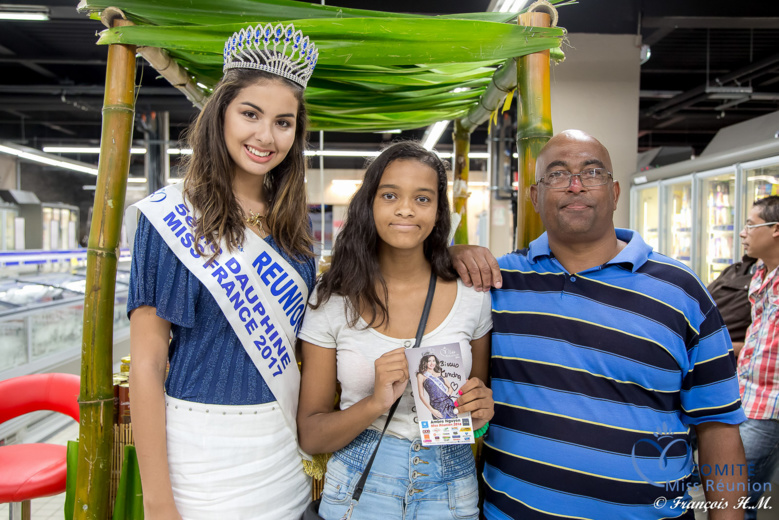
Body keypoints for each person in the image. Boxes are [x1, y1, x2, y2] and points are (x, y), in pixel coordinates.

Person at [477, 130, 747, 520]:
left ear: (615, 192)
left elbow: (718, 425)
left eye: (592, 172)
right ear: (534, 197)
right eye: (557, 174)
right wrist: (452, 253)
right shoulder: (499, 281)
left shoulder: (681, 292)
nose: (575, 186)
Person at [127, 23, 318, 520]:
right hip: (199, 454)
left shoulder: (293, 230)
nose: (265, 135)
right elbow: (147, 365)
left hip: (279, 451)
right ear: (221, 115)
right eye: (250, 114)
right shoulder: (170, 218)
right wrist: (157, 500)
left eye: (283, 122)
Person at [296, 141, 494, 520]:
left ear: (438, 212)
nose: (405, 209)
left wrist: (481, 413)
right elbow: (312, 433)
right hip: (358, 487)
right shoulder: (334, 298)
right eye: (390, 195)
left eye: (423, 198)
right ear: (369, 204)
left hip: (450, 490)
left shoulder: (473, 295)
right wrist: (374, 402)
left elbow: (474, 420)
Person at [736, 195, 779, 519]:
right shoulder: (762, 272)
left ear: (775, 229)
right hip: (748, 399)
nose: (743, 232)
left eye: (751, 224)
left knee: (735, 497)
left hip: (770, 406)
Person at [707, 254, 757, 355]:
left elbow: (766, 346)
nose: (743, 236)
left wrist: (718, 347)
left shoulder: (768, 283)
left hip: (723, 359)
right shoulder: (735, 269)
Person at [417, 353, 456, 419]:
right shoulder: (421, 375)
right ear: (425, 362)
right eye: (429, 361)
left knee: (454, 425)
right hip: (436, 407)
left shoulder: (439, 373)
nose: (432, 363)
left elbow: (450, 387)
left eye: (433, 360)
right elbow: (421, 396)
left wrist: (448, 394)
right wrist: (432, 410)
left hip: (449, 405)